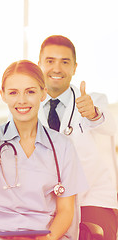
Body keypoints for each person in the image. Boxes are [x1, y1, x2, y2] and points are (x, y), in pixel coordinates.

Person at [0, 60, 87, 240]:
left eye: (30, 91)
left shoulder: (62, 146)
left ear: (43, 93)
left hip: (45, 235)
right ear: (3, 95)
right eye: (13, 93)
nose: (21, 100)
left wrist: (47, 239)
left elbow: (66, 210)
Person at [37, 35, 118, 240]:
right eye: (50, 61)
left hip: (90, 198)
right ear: (39, 65)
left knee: (94, 234)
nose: (57, 68)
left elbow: (111, 126)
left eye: (65, 62)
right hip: (44, 201)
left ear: (74, 67)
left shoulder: (93, 101)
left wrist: (93, 113)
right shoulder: (27, 104)